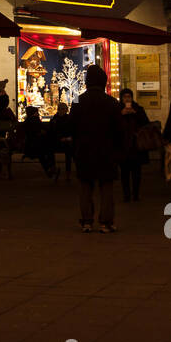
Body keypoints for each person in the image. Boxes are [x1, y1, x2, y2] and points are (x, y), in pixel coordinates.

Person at [69, 64, 124, 232]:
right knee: (106, 187)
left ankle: (86, 221)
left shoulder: (78, 100)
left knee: (85, 187)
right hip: (106, 151)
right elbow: (119, 130)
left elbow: (71, 126)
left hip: (84, 151)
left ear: (87, 81)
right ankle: (105, 222)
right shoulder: (112, 102)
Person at [118, 88, 151, 202]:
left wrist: (135, 113)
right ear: (121, 98)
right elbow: (113, 125)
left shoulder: (138, 109)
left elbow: (146, 123)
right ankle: (126, 195)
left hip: (136, 146)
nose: (127, 99)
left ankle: (136, 194)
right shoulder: (117, 109)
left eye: (129, 97)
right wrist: (121, 114)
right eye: (125, 97)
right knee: (124, 173)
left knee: (136, 172)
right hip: (123, 146)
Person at [23, 105, 54, 177]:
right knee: (47, 152)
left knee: (43, 155)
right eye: (37, 112)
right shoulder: (35, 120)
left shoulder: (27, 121)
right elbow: (44, 129)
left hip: (30, 145)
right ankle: (50, 168)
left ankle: (49, 169)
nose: (38, 114)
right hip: (36, 145)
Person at [0, 94, 17, 178]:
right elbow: (14, 121)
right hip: (8, 135)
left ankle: (0, 169)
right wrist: (11, 129)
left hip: (0, 135)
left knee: (2, 151)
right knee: (8, 153)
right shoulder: (8, 111)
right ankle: (8, 171)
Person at [49, 102, 74, 180]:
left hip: (66, 141)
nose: (63, 111)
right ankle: (53, 168)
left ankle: (68, 172)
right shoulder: (55, 119)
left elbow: (72, 131)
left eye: (64, 109)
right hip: (57, 141)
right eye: (61, 109)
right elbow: (52, 131)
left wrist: (68, 138)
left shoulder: (68, 119)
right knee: (50, 149)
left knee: (69, 153)